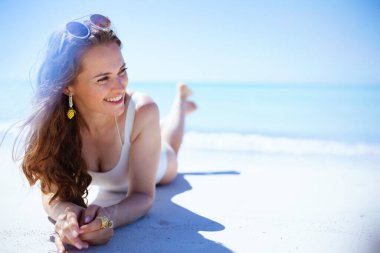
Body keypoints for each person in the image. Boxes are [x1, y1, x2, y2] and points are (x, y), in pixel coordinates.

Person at [19, 14, 196, 252]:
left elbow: (143, 196)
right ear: (67, 86)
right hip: (131, 143)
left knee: (170, 150)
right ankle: (178, 109)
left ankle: (181, 104)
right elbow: (51, 193)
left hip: (158, 167)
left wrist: (109, 217)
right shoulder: (54, 123)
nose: (120, 86)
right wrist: (68, 214)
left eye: (121, 71)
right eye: (103, 78)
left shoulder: (143, 109)